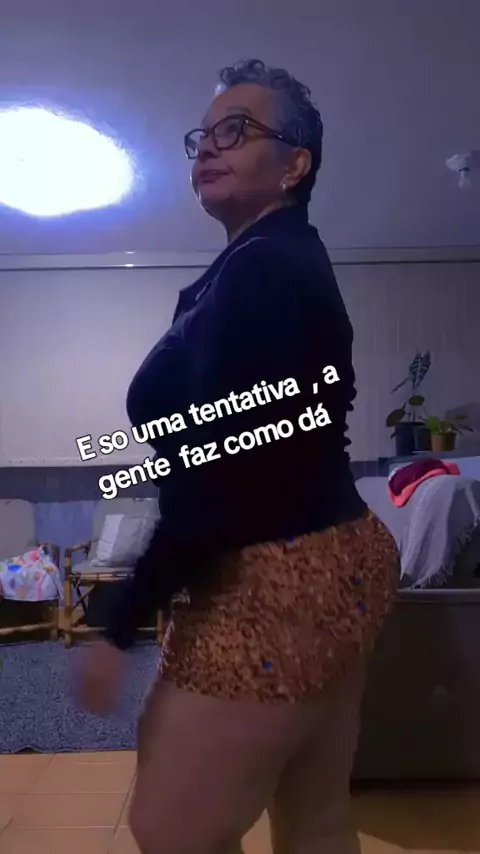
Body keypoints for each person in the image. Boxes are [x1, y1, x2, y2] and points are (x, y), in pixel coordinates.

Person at [80, 59, 400, 854]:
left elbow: (224, 467)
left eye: (237, 130)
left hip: (279, 572)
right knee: (314, 812)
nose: (210, 147)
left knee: (172, 827)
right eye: (203, 136)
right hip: (325, 554)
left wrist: (118, 620)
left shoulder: (264, 267)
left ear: (296, 164)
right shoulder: (264, 263)